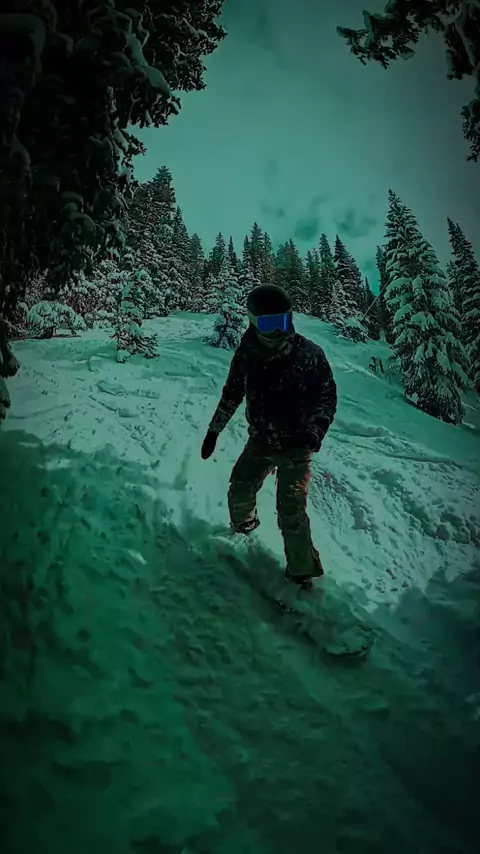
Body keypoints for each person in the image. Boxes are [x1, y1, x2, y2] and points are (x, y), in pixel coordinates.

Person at [201, 284, 337, 590]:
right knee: (240, 489)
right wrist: (214, 431)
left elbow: (327, 396)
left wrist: (316, 430)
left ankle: (303, 575)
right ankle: (244, 529)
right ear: (253, 322)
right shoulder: (246, 355)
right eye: (268, 324)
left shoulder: (309, 354)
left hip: (297, 445)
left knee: (291, 511)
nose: (277, 331)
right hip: (261, 441)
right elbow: (231, 394)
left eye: (283, 322)